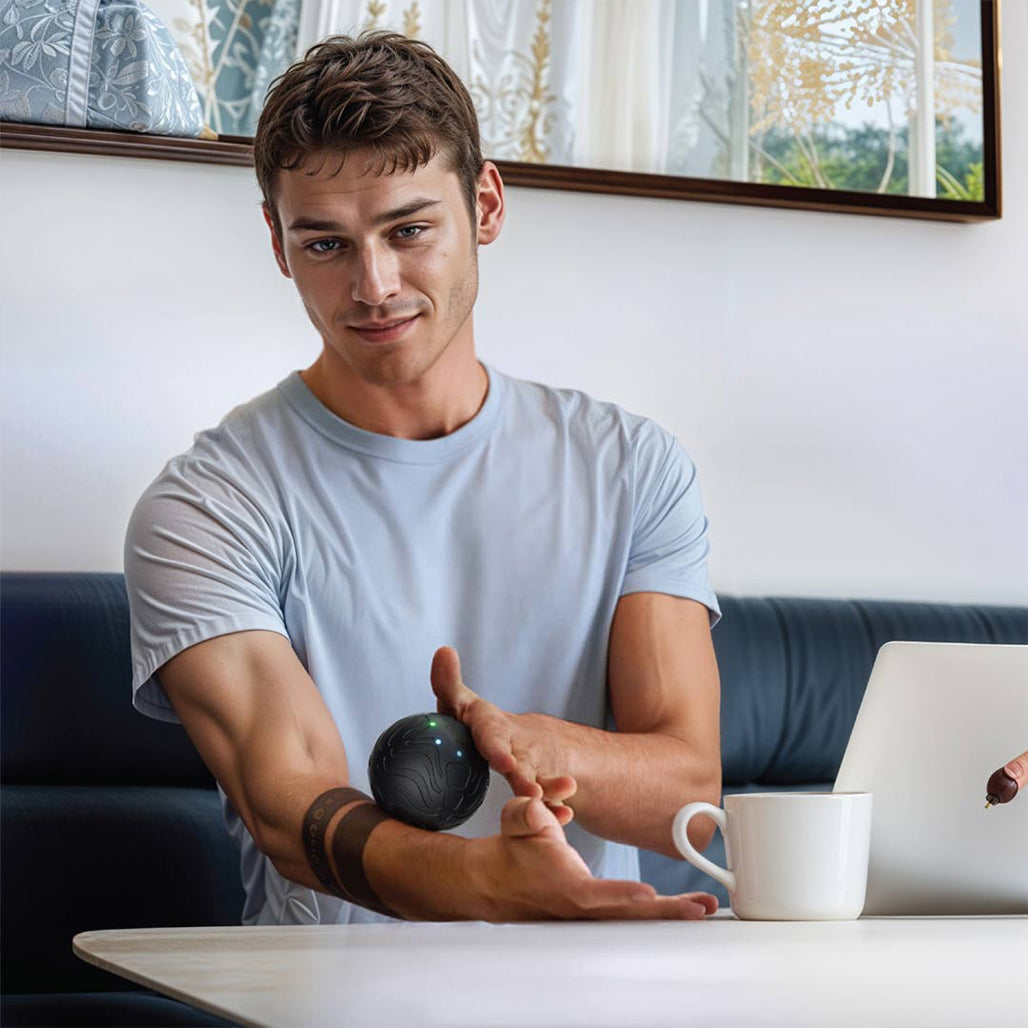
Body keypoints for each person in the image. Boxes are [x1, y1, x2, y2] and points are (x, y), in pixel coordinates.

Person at [124, 30, 723, 926]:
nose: (373, 285)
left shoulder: (633, 467)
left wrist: (535, 744)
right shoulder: (207, 506)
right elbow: (285, 800)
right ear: (278, 245)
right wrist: (482, 883)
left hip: (587, 988)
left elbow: (689, 795)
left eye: (409, 230)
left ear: (484, 206)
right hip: (327, 1005)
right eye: (325, 244)